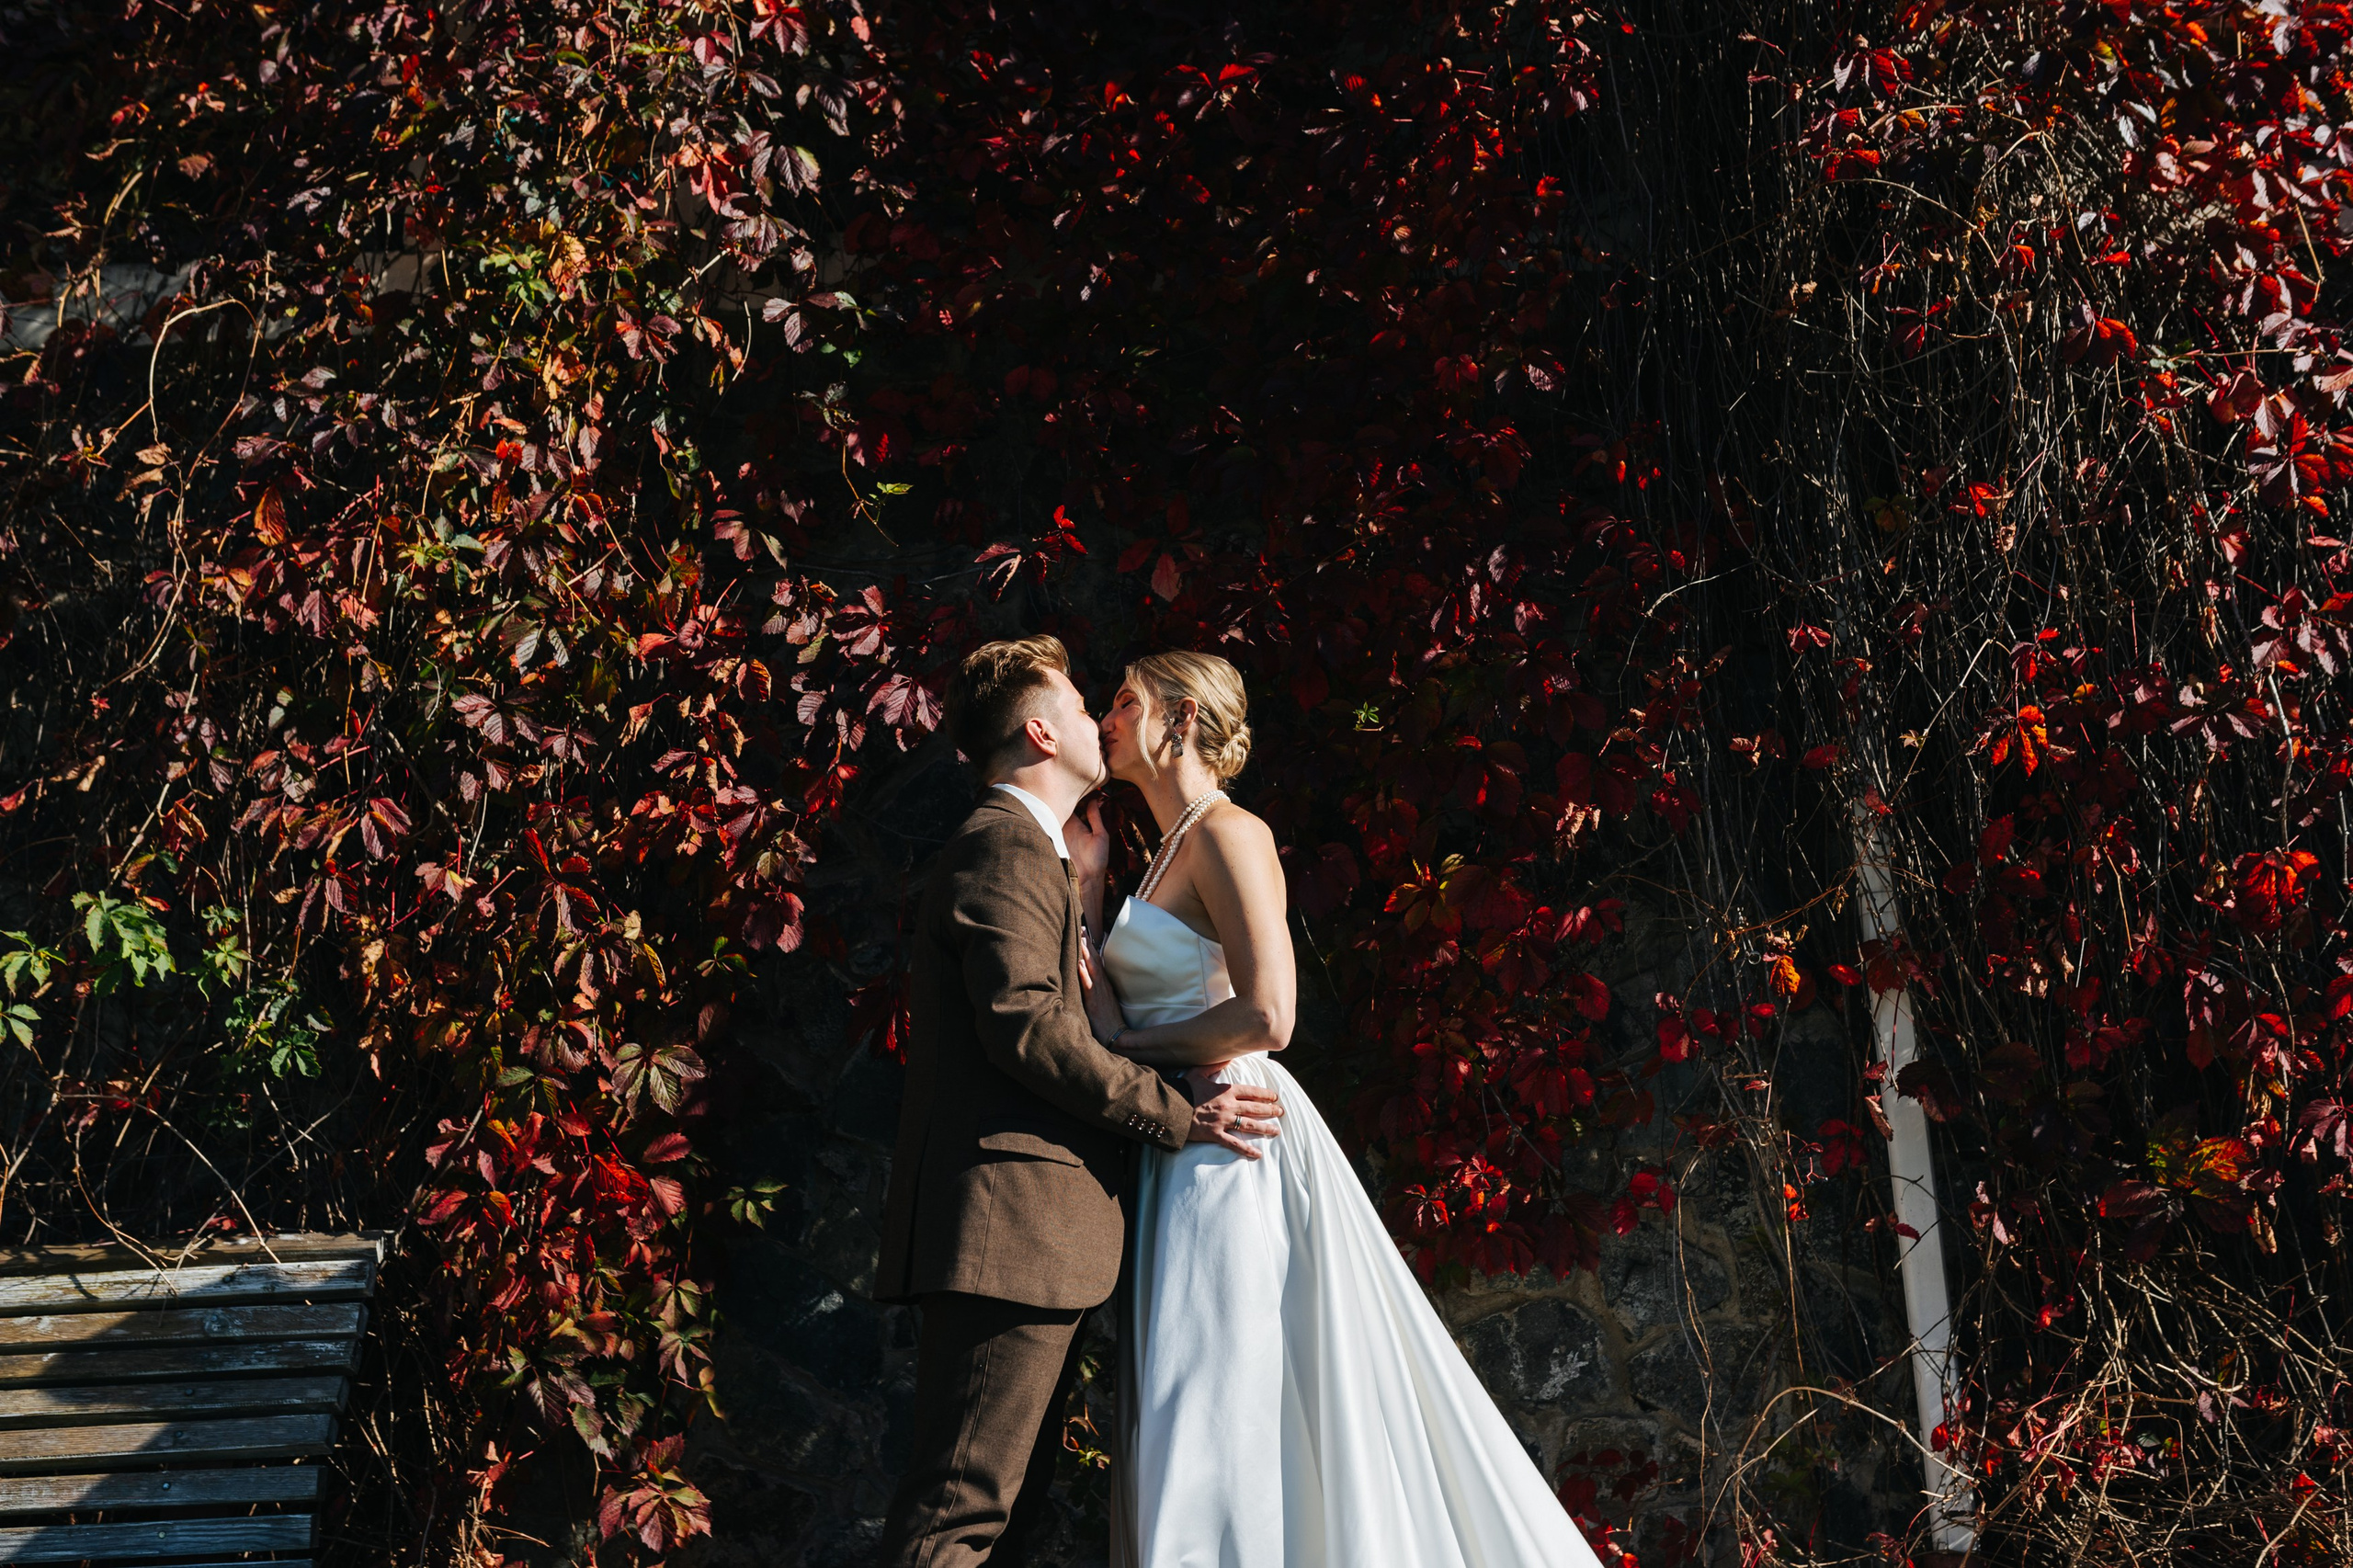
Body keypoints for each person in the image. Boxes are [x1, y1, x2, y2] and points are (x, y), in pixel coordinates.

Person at [1078, 651, 1604, 1568]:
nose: (1106, 713)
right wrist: (1087, 898)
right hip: (1182, 1135)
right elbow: (1118, 1015)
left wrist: (1125, 1053)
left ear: (1183, 716)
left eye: (1127, 698)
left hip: (1232, 1137)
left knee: (1218, 1397)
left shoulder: (1228, 832)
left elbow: (1268, 1013)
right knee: (1197, 1398)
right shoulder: (1163, 847)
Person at [873, 635, 1286, 1568]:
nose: (1100, 718)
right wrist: (1176, 1111)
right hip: (1006, 1236)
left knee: (1007, 1517)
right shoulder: (1004, 847)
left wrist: (1089, 892)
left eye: (1121, 703)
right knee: (962, 1513)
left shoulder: (1041, 855)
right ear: (1039, 731)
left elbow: (1087, 1017)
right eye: (1082, 703)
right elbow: (1029, 1027)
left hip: (1040, 1241)